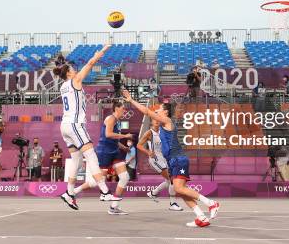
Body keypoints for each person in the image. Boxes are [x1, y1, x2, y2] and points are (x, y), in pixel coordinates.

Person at [122, 90, 219, 227]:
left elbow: (147, 112)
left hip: (178, 158)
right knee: (181, 191)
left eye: (160, 109)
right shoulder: (161, 127)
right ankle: (201, 217)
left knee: (179, 189)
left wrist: (131, 100)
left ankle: (211, 203)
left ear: (166, 112)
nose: (157, 110)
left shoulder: (167, 121)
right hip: (172, 161)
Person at [52, 46, 121, 211]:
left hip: (66, 126)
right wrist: (100, 53)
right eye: (72, 69)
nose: (75, 70)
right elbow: (90, 64)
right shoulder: (74, 81)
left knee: (76, 160)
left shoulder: (63, 86)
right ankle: (104, 191)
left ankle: (69, 193)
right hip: (75, 125)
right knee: (91, 155)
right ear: (68, 73)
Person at [137, 119, 183, 211]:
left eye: (158, 120)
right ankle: (172, 203)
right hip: (155, 159)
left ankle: (153, 193)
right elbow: (139, 145)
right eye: (155, 120)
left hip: (164, 158)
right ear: (151, 122)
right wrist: (148, 152)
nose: (157, 121)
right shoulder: (149, 133)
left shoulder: (163, 131)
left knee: (168, 180)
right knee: (171, 179)